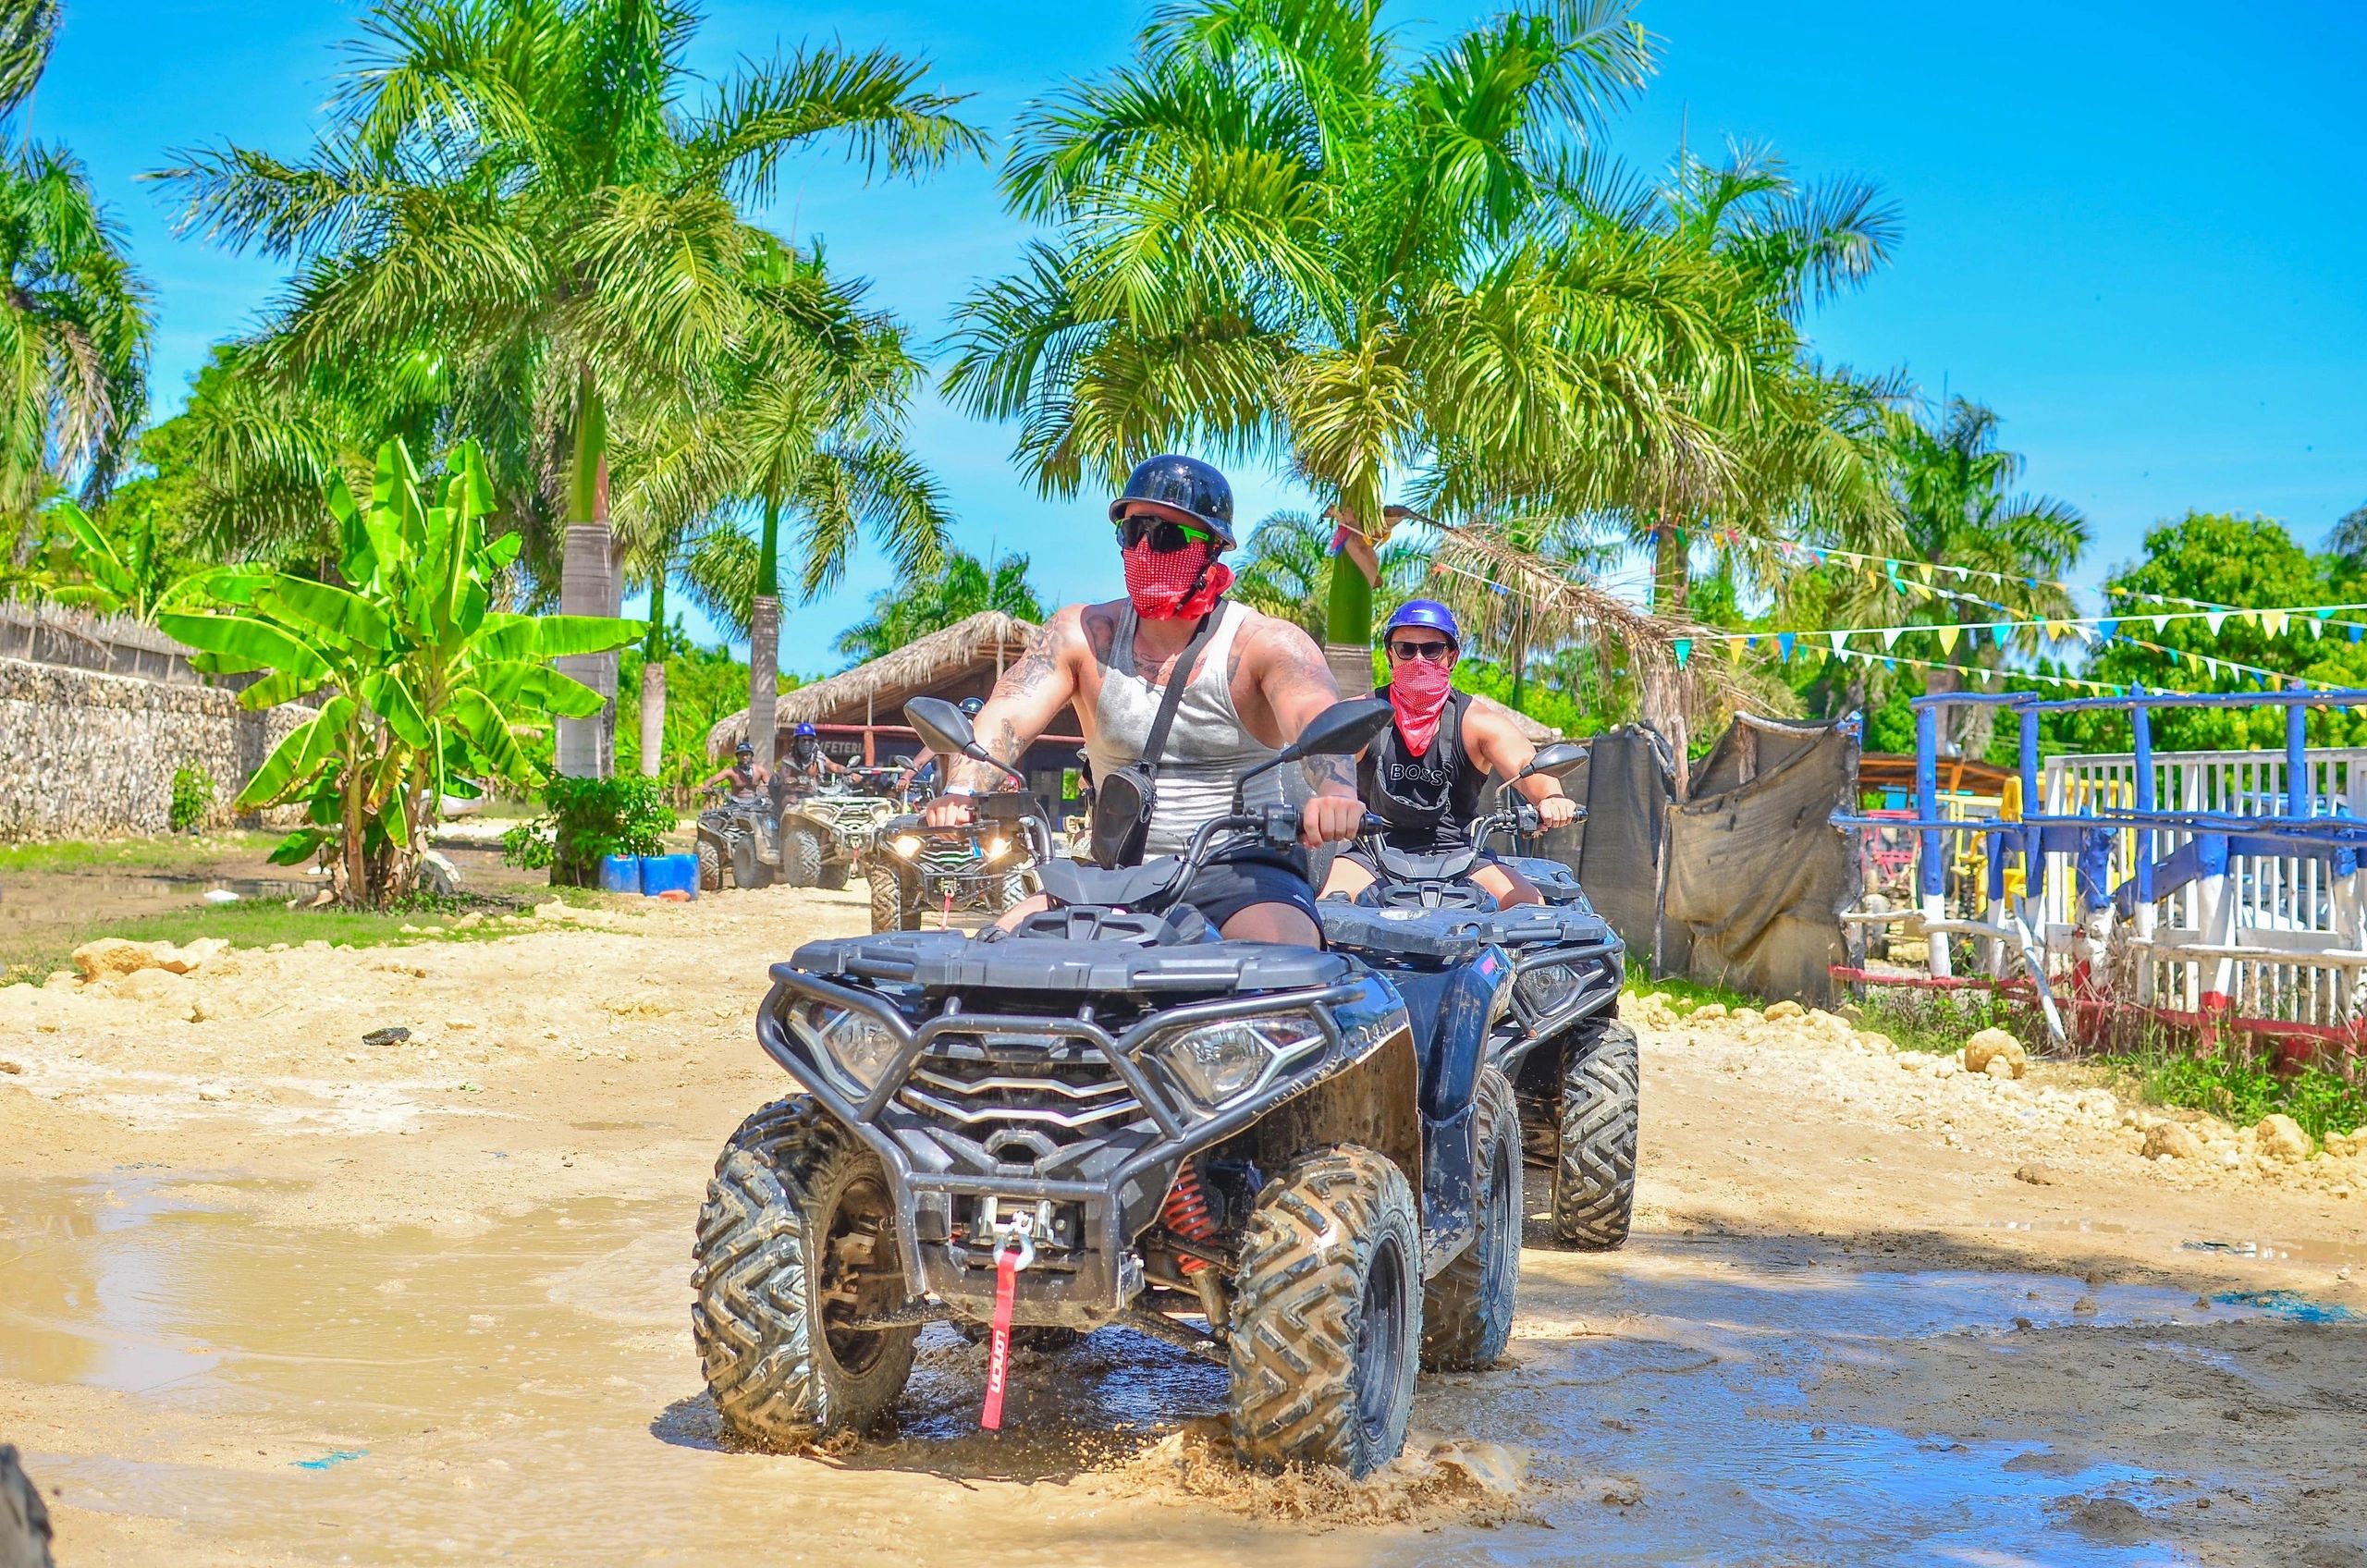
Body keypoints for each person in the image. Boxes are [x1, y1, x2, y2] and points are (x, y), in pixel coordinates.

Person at [925, 454, 1364, 945]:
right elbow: (1007, 713)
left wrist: (1337, 794)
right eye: (1133, 532)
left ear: (1213, 550)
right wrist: (963, 789)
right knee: (997, 953)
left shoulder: (1264, 644)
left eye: (1168, 536)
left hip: (1240, 871)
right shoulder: (1082, 635)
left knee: (1288, 964)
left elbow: (1316, 716)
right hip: (1115, 873)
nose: (1146, 549)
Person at [1320, 599, 1578, 909]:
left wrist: (1550, 799)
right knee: (1321, 904)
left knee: (1528, 903)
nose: (1418, 659)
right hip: (1372, 854)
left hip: (1461, 855)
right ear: (1390, 654)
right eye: (1406, 649)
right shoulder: (1360, 716)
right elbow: (1327, 761)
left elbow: (1526, 764)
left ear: (1451, 656)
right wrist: (1333, 798)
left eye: (1431, 650)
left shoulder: (1477, 722)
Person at [699, 741, 768, 800]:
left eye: (747, 755)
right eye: (741, 755)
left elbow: (770, 784)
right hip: (736, 803)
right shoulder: (731, 771)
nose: (744, 757)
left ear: (751, 756)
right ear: (737, 757)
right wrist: (707, 787)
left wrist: (768, 790)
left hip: (754, 802)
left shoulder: (760, 770)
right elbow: (712, 780)